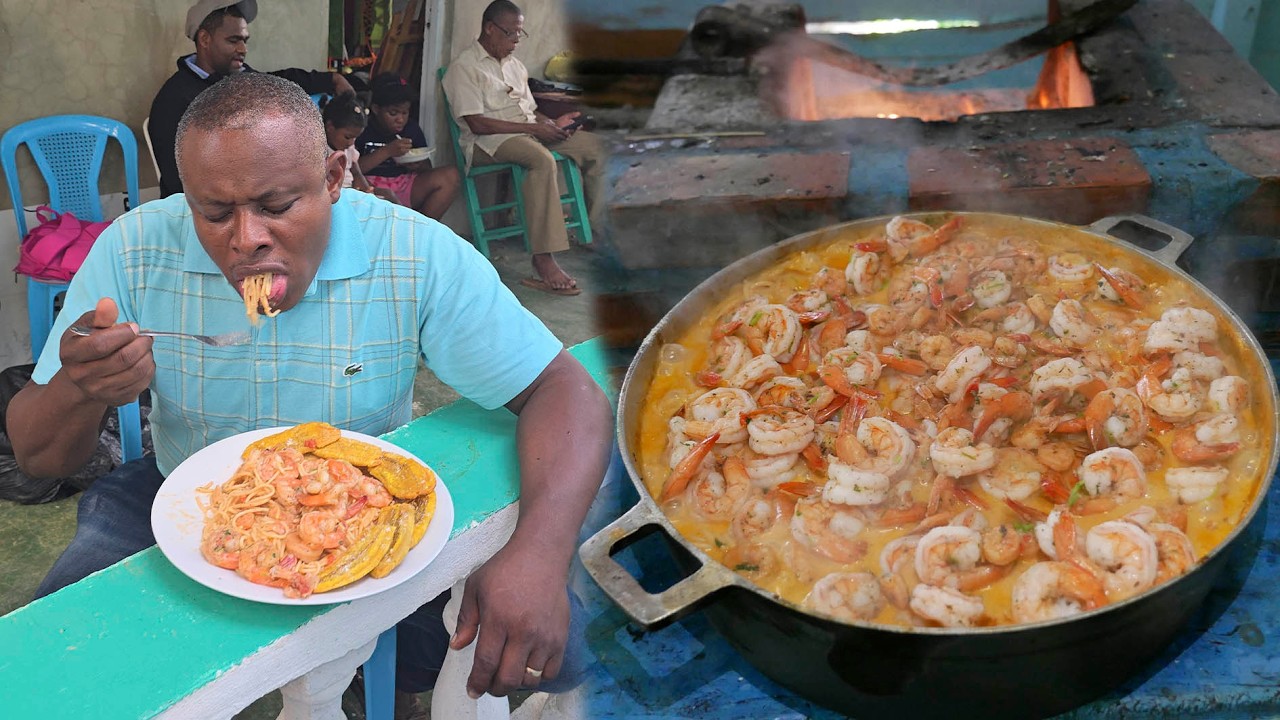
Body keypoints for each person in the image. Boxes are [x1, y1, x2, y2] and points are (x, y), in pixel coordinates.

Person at [9, 73, 611, 713]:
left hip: (364, 507)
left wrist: (541, 553)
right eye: (214, 213)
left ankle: (370, 681)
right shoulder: (131, 249)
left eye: (275, 206)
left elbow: (564, 391)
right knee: (61, 668)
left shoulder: (414, 252)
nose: (245, 240)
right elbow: (39, 458)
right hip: (183, 492)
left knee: (539, 650)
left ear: (332, 179)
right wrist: (80, 387)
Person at [442, 0, 606, 297]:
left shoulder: (516, 66)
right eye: (510, 33)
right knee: (541, 160)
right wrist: (535, 129)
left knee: (596, 148)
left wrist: (554, 123)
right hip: (487, 143)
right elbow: (477, 124)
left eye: (520, 34)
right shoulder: (464, 67)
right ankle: (543, 260)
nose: (516, 40)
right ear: (489, 29)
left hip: (527, 132)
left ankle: (599, 233)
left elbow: (530, 114)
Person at [149, 0, 356, 197]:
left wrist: (330, 79)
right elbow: (180, 181)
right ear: (205, 40)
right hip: (203, 212)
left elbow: (280, 82)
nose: (243, 49)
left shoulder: (241, 78)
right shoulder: (174, 100)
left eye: (244, 40)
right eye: (234, 40)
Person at [356, 73, 461, 221]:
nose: (400, 119)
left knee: (451, 176)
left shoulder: (411, 129)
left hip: (405, 184)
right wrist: (387, 151)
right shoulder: (362, 129)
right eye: (393, 113)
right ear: (376, 109)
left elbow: (427, 169)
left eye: (405, 112)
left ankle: (420, 231)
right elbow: (352, 169)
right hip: (370, 187)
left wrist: (416, 165)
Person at [322, 91, 399, 204]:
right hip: (335, 197)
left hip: (353, 193)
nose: (351, 142)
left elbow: (357, 173)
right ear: (330, 127)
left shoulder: (349, 148)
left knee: (388, 194)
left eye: (355, 138)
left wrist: (367, 190)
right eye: (348, 137)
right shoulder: (320, 150)